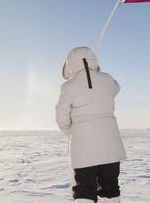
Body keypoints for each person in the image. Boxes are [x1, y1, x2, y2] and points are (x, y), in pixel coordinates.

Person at [56, 46, 126, 203]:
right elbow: (116, 89)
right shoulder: (107, 79)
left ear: (70, 64)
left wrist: (72, 131)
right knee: (110, 187)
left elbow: (61, 115)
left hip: (83, 146)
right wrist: (98, 73)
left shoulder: (68, 86)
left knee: (84, 190)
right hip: (110, 144)